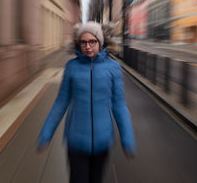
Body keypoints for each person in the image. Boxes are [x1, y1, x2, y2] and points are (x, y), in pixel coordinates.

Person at [37, 21, 136, 183]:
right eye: (83, 42)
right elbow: (61, 102)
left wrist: (127, 138)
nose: (88, 46)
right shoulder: (71, 67)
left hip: (102, 141)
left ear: (100, 42)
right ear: (78, 43)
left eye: (92, 41)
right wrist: (46, 134)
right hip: (76, 141)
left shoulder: (113, 68)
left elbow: (119, 105)